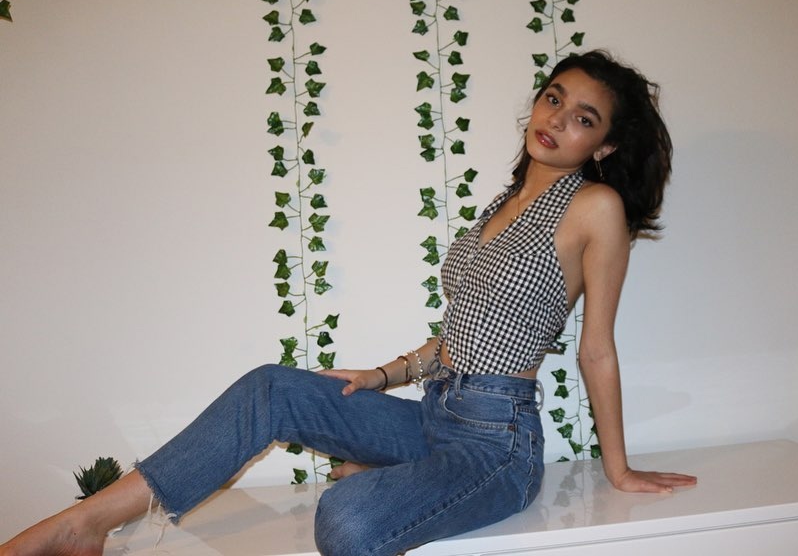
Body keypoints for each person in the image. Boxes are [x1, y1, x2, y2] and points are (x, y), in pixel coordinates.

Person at [0, 49, 697, 556]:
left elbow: (596, 349)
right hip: (433, 417)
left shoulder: (595, 207)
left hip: (495, 446)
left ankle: (400, 479)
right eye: (553, 98)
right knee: (272, 388)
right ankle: (85, 523)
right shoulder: (499, 206)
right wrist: (381, 376)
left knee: (347, 519)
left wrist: (618, 469)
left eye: (582, 118)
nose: (557, 119)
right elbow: (459, 336)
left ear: (604, 144)